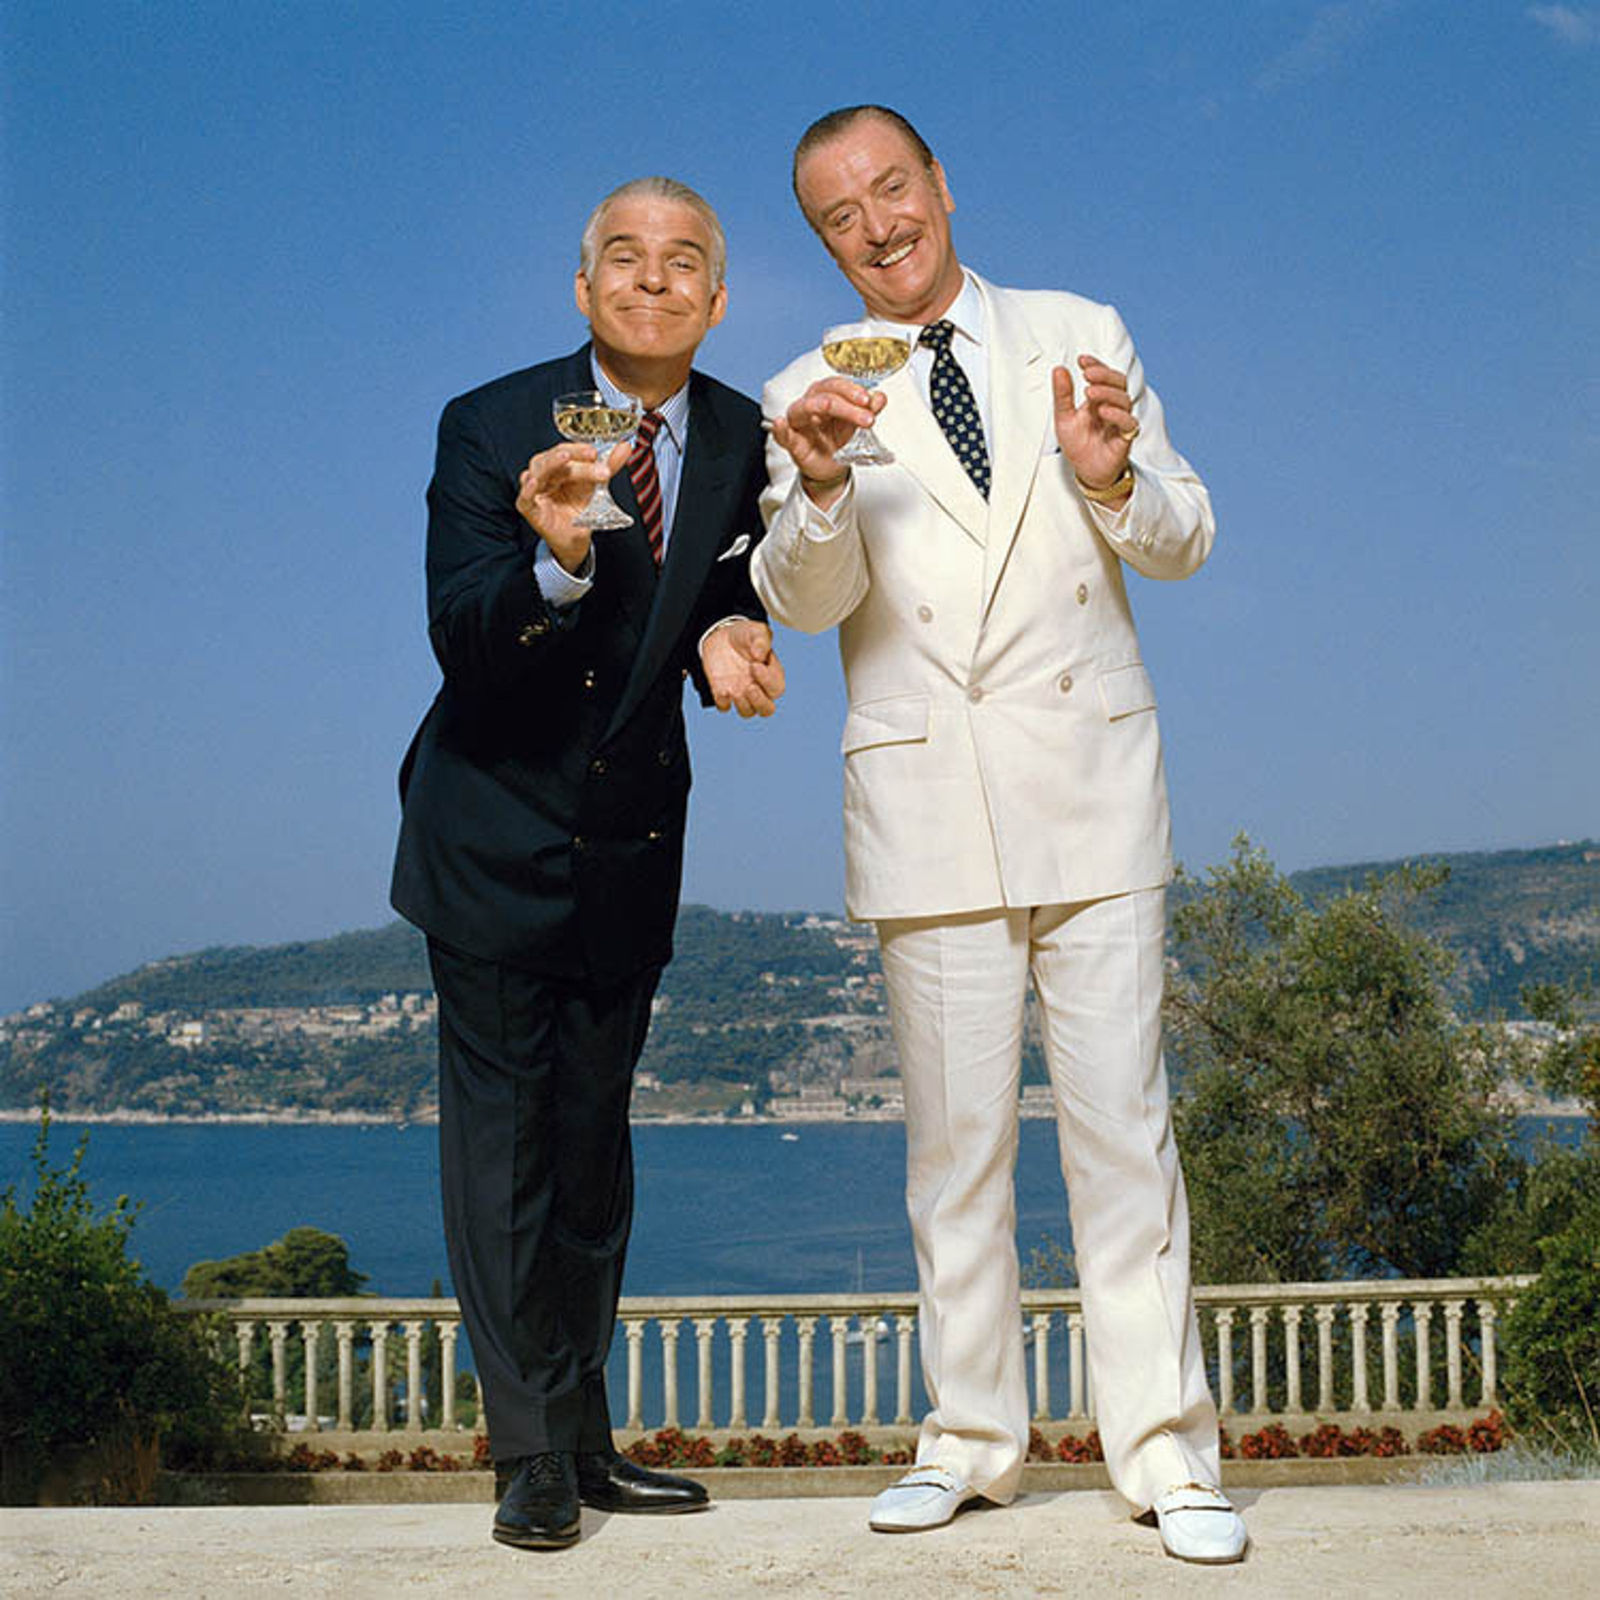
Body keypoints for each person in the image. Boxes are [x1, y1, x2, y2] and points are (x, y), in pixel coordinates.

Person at [753, 107, 1246, 1565]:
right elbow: (801, 600)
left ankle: (1165, 1456)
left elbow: (1186, 534)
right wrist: (825, 485)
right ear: (824, 241)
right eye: (843, 214)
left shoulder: (1078, 328)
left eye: (893, 189)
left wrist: (1107, 473)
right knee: (953, 1154)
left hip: (1093, 788)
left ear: (942, 187)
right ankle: (972, 1443)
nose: (879, 224)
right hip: (927, 811)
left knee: (1123, 1136)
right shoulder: (803, 390)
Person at [390, 175, 784, 1552]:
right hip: (490, 842)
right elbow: (462, 635)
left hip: (633, 856)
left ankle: (588, 1437)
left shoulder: (742, 436)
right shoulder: (490, 424)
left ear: (719, 298)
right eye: (626, 258)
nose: (655, 281)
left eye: (686, 264)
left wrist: (722, 635)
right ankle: (527, 1454)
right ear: (583, 287)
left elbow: (720, 577)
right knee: (502, 1162)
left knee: (592, 1156)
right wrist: (554, 559)